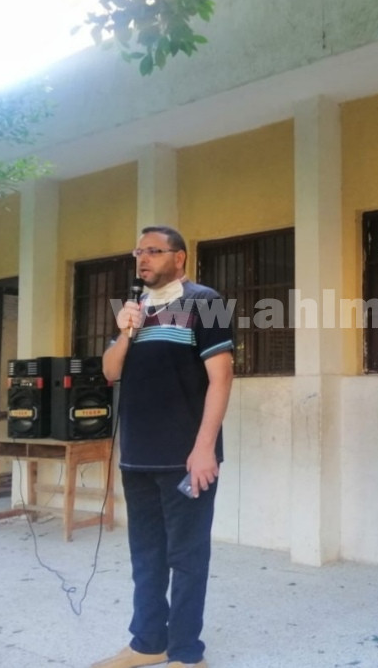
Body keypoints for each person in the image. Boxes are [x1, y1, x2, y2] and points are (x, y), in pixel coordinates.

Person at [93, 226, 234, 668]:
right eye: (139, 251)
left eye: (154, 251)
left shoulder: (205, 301)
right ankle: (148, 642)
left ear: (179, 258)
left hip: (186, 458)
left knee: (187, 556)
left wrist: (204, 448)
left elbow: (221, 378)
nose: (143, 259)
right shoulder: (132, 308)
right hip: (137, 457)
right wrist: (124, 333)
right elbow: (110, 372)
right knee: (146, 555)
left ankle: (187, 653)